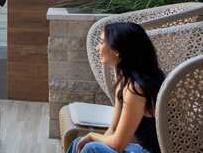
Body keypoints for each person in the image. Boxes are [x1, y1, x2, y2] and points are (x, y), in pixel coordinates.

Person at [67, 22, 164, 153]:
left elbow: (119, 144)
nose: (97, 48)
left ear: (117, 50)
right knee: (79, 142)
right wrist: (92, 139)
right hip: (142, 150)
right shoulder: (124, 81)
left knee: (92, 147)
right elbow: (112, 130)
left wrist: (92, 136)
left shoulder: (136, 89)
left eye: (101, 42)